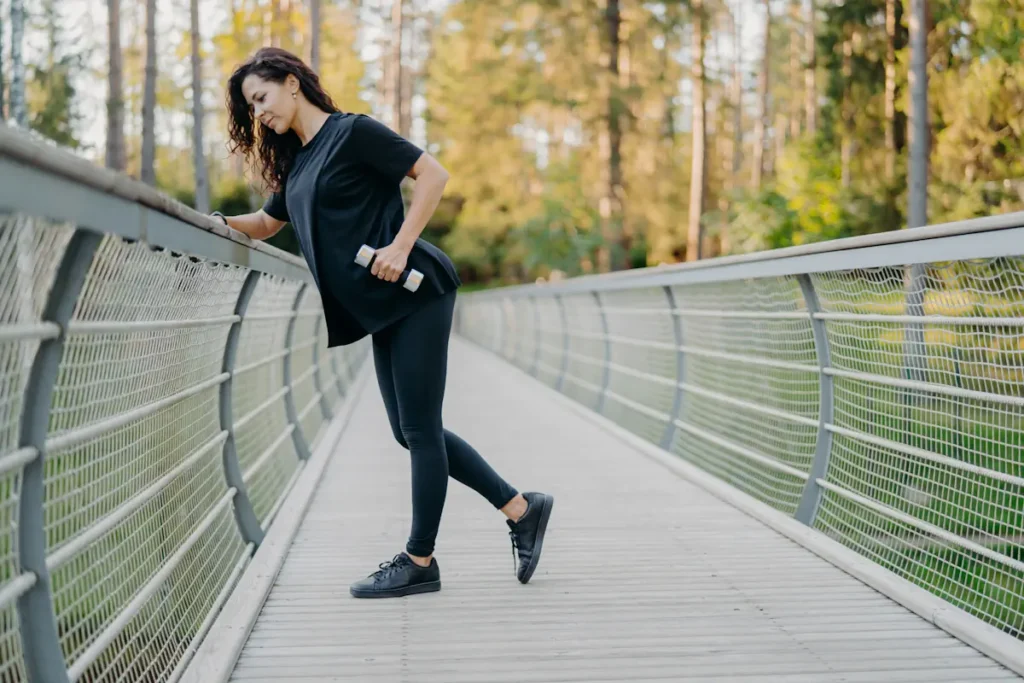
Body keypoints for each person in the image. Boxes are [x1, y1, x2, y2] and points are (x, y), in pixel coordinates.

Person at [213, 47, 553, 599]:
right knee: (409, 431)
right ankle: (522, 509)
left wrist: (401, 244)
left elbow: (432, 174)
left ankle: (420, 560)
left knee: (419, 429)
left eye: (262, 97)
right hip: (379, 305)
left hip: (416, 290)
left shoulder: (352, 133)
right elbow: (269, 223)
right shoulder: (300, 162)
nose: (258, 112)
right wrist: (215, 224)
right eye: (250, 106)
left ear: (292, 83)